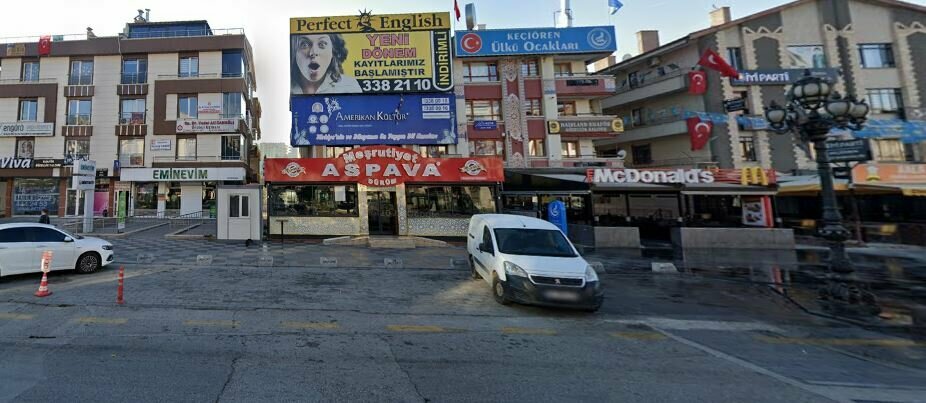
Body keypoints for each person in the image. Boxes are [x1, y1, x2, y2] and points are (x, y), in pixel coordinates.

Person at [291, 33, 362, 95]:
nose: (313, 52)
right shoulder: (286, 86)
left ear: (333, 51)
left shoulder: (349, 87)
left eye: (322, 44)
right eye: (304, 45)